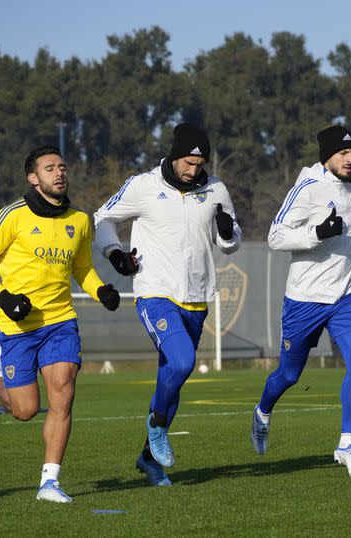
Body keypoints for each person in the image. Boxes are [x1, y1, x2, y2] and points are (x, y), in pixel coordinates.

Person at [0, 146, 120, 503]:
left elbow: (81, 269)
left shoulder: (80, 220)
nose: (59, 172)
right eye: (50, 168)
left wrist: (101, 290)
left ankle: (49, 483)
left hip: (60, 322)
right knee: (23, 411)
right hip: (17, 327)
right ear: (33, 178)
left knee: (64, 393)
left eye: (62, 167)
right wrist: (4, 298)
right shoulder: (12, 215)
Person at [94, 123, 242, 486]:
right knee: (182, 361)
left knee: (172, 378)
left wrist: (227, 231)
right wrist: (114, 253)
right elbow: (103, 218)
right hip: (155, 292)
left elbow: (231, 240)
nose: (195, 170)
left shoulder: (216, 189)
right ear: (175, 156)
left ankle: (148, 459)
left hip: (196, 297)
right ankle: (157, 425)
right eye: (189, 162)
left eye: (201, 163)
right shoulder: (143, 185)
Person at [250, 125, 351, 479]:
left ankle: (347, 443)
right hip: (305, 299)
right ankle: (262, 412)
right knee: (288, 374)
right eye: (343, 154)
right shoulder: (307, 187)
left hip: (347, 295)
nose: (350, 160)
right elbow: (275, 236)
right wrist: (317, 233)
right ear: (327, 156)